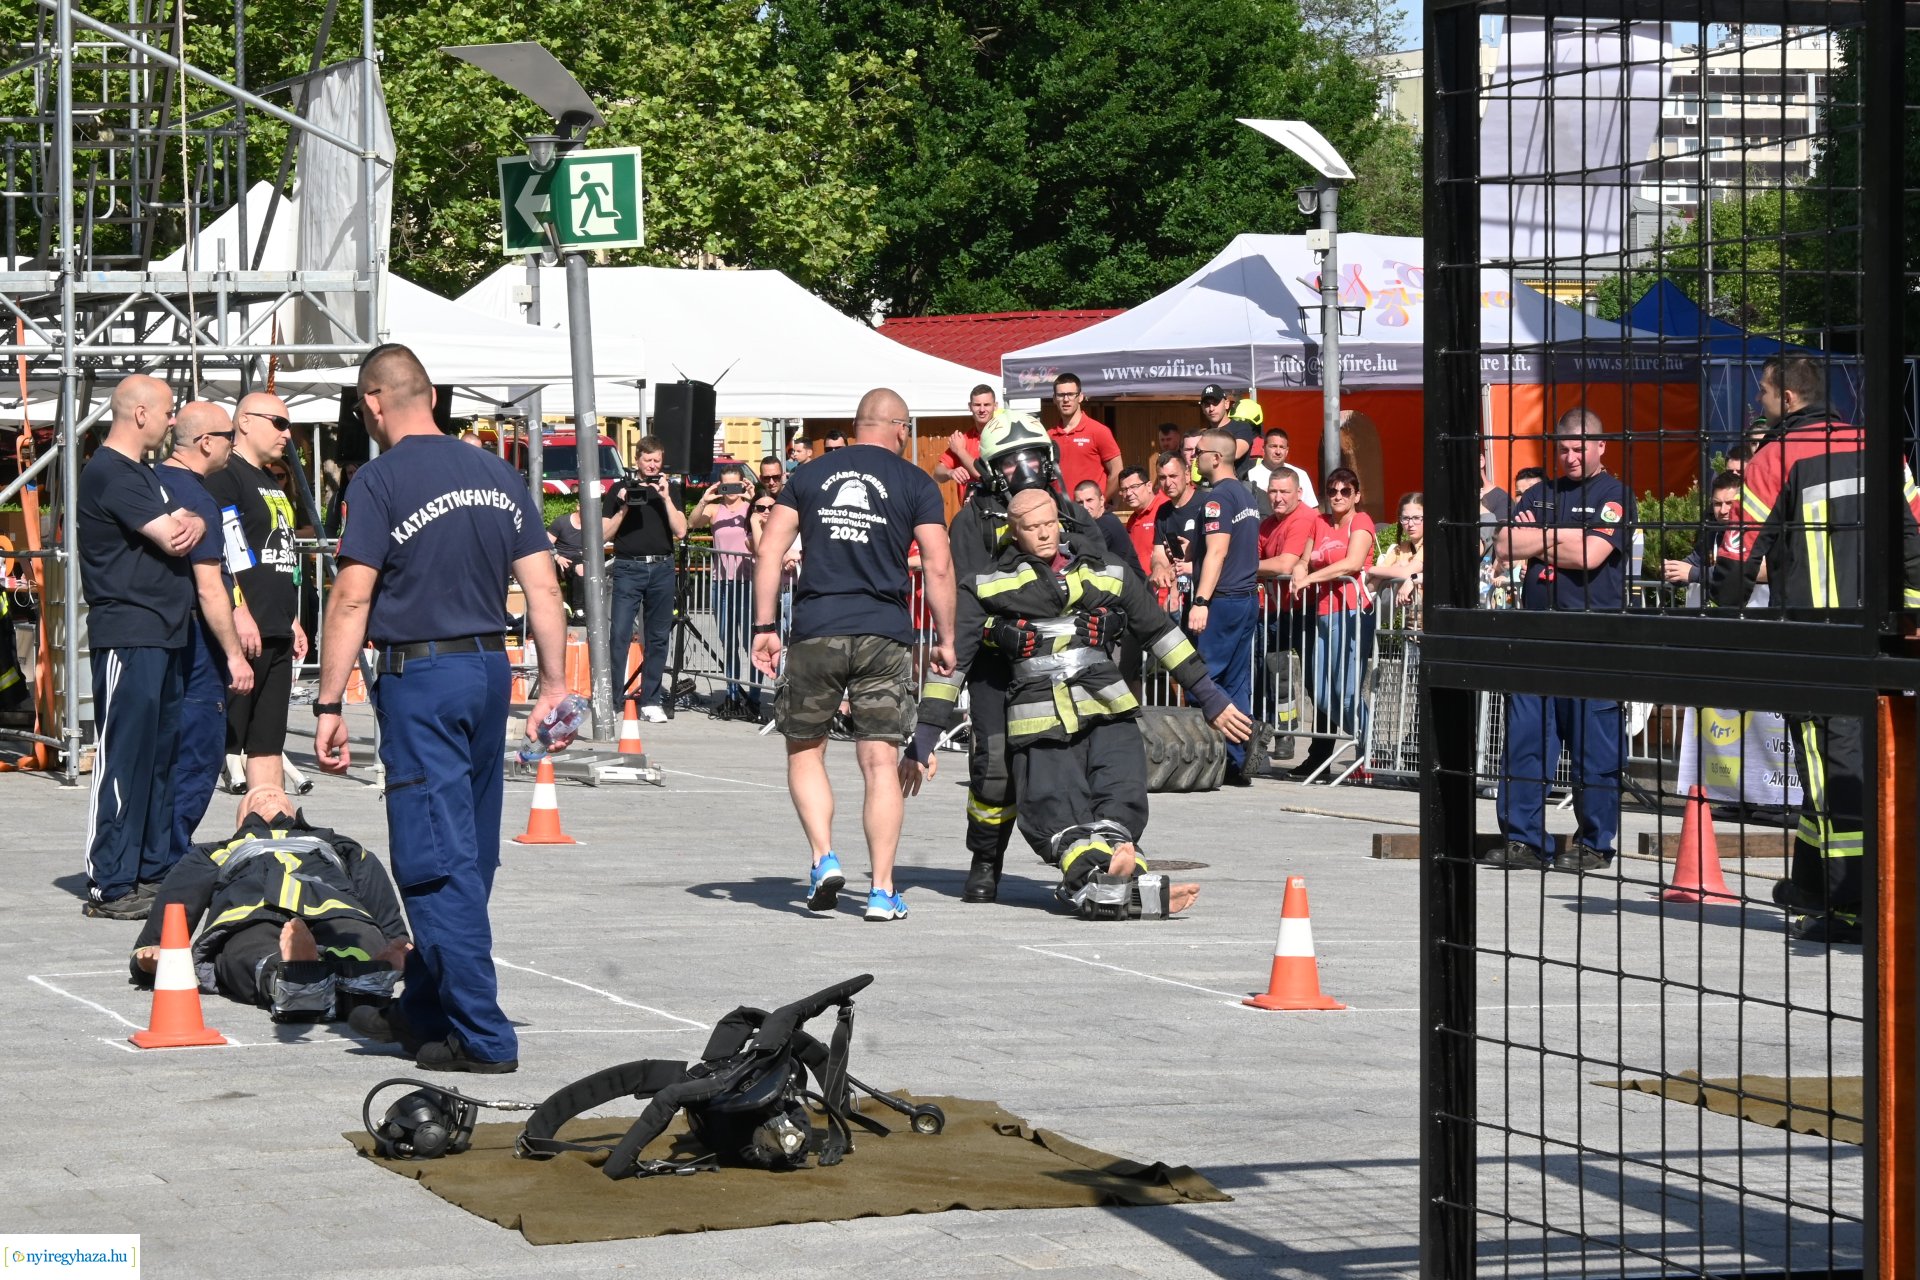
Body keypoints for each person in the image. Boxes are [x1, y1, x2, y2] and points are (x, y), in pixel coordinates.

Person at [314, 343, 568, 1074]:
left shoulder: (379, 479)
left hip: (421, 677)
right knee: (471, 850)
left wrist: (330, 701)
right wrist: (552, 684)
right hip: (491, 670)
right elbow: (544, 590)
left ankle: (484, 1038)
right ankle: (425, 1009)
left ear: (372, 403)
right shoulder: (496, 473)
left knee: (433, 858)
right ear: (429, 394)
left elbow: (353, 595)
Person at [903, 488, 1251, 913]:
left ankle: (1120, 878)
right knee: (1056, 805)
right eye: (1032, 528)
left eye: (1050, 523)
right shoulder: (987, 585)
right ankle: (1110, 883)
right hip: (1040, 718)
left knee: (1121, 794)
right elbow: (952, 664)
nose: (1044, 534)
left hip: (1108, 706)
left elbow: (1161, 632)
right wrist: (924, 739)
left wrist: (1210, 698)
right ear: (1013, 532)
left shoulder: (1107, 570)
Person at [1717, 356, 1920, 943]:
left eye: (1763, 390)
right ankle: (1809, 882)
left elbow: (1738, 555)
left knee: (1832, 770)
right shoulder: (1877, 445)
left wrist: (1717, 621)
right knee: (1843, 762)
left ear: (1788, 397)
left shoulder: (1773, 458)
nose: (1757, 400)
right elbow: (1913, 535)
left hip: (1812, 637)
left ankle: (1850, 906)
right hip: (1874, 637)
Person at [751, 387, 956, 922]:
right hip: (884, 633)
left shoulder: (810, 475)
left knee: (804, 749)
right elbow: (936, 564)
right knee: (880, 761)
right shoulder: (915, 481)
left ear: (858, 423)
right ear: (900, 429)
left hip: (817, 628)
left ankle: (823, 858)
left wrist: (765, 625)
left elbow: (770, 549)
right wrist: (947, 638)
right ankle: (882, 892)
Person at [937, 410, 1107, 903]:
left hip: (1063, 664)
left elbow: (1110, 577)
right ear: (991, 469)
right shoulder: (973, 522)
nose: (1025, 470)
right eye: (1011, 463)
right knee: (994, 764)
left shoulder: (1069, 513)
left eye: (1033, 457)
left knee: (1072, 762)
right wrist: (999, 632)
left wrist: (1108, 621)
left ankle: (1082, 855)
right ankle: (986, 858)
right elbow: (968, 597)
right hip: (996, 663)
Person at [77, 375, 206, 919]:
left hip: (164, 632)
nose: (172, 420)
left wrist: (194, 518)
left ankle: (150, 871)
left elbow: (195, 518)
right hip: (130, 634)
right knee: (124, 758)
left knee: (158, 759)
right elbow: (174, 534)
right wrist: (189, 522)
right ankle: (111, 880)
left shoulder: (147, 474)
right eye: (168, 411)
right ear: (139, 415)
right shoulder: (109, 471)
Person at [1487, 408, 1635, 874]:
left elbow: (1592, 555)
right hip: (1536, 634)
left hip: (1591, 638)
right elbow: (1506, 545)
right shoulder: (1542, 491)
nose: (1570, 458)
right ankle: (1524, 840)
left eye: (1579, 449)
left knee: (1594, 743)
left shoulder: (1616, 495)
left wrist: (1543, 537)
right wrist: (1562, 538)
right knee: (1527, 738)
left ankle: (1595, 843)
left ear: (1601, 447)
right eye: (1564, 450)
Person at [129, 788, 410, 1024]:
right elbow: (180, 893)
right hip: (252, 913)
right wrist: (152, 953)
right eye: (256, 799)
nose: (267, 795)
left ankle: (331, 975)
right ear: (241, 821)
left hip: (336, 907)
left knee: (358, 935)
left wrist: (397, 939)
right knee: (243, 951)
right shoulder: (217, 849)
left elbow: (371, 877)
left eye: (276, 794)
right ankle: (307, 975)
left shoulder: (333, 841)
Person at [156, 403, 255, 870]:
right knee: (197, 751)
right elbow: (210, 587)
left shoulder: (148, 483)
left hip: (157, 640)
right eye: (229, 436)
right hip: (196, 643)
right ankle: (170, 860)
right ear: (206, 442)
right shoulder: (200, 501)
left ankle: (152, 855)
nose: (233, 445)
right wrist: (234, 656)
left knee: (159, 755)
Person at [205, 391, 307, 796]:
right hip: (246, 630)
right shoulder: (226, 475)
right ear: (244, 421)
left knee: (268, 741)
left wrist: (293, 618)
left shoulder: (270, 478)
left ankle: (269, 823)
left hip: (277, 626)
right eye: (278, 423)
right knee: (228, 742)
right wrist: (238, 610)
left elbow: (277, 549)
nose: (287, 434)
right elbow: (226, 554)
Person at [1186, 429, 1265, 784]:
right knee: (1234, 683)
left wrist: (1201, 600)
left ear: (1215, 458)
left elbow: (1217, 551)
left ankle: (1211, 758)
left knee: (1199, 680)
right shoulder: (1245, 495)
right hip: (1247, 598)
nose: (1194, 457)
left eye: (1198, 452)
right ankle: (1238, 760)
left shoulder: (1216, 499)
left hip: (1224, 599)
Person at [1291, 467, 1379, 780]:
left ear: (1356, 495)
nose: (1338, 497)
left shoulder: (1361, 521)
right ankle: (1371, 746)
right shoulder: (1319, 522)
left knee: (1348, 691)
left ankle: (1371, 753)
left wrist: (1310, 577)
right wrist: (1301, 569)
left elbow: (1353, 562)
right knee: (1324, 695)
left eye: (1345, 491)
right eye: (1332, 491)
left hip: (1354, 610)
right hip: (1325, 611)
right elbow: (1305, 557)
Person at [604, 436, 686, 721]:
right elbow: (604, 534)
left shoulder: (670, 489)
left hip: (662, 567)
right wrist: (624, 506)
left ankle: (651, 700)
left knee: (658, 636)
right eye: (647, 460)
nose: (652, 466)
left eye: (657, 461)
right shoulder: (618, 489)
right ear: (637, 460)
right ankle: (614, 700)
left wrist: (664, 497)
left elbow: (682, 531)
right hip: (629, 568)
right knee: (620, 634)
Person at [691, 463, 759, 720]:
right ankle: (732, 694)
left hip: (748, 582)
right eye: (725, 485)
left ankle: (754, 695)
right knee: (727, 642)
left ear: (744, 484)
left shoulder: (752, 506)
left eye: (736, 485)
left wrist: (753, 499)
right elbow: (692, 523)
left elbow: (769, 521)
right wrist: (703, 499)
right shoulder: (714, 509)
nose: (731, 491)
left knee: (751, 642)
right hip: (721, 583)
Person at [1256, 470, 1318, 726]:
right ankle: (1284, 731)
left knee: (1315, 678)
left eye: (1284, 492)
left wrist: (1246, 566)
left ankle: (1321, 746)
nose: (1277, 497)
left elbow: (1284, 564)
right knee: (1275, 673)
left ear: (1299, 493)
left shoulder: (1305, 518)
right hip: (1275, 609)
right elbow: (1257, 559)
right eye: (1273, 491)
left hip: (1308, 608)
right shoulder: (1268, 524)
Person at [1663, 472, 1743, 596]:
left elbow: (1737, 571)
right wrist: (1672, 570)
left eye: (1729, 503)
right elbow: (1696, 560)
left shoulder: (1753, 533)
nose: (1723, 510)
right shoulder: (1713, 533)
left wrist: (1694, 574)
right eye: (1717, 504)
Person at [1047, 373, 1123, 501]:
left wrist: (1102, 503)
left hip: (1091, 515)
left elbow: (1117, 471)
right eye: (1061, 395)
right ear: (1054, 399)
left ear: (1080, 397)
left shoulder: (1098, 431)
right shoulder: (1048, 436)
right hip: (1060, 514)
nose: (1066, 399)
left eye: (1071, 394)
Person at [1148, 451, 1206, 613]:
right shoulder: (1163, 512)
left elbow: (1218, 552)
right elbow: (1159, 554)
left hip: (1210, 597)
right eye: (1162, 477)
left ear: (1187, 475)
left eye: (1173, 476)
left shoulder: (1207, 503)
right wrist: (1159, 568)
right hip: (1183, 596)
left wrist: (1193, 551)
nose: (1168, 483)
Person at [1369, 492, 1426, 612]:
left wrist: (1371, 570)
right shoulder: (1400, 549)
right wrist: (1394, 569)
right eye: (1405, 518)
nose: (1410, 524)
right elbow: (1370, 587)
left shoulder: (1431, 545)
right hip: (1411, 627)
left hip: (1434, 625)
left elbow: (1406, 572)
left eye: (1416, 518)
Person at [1072, 479, 1142, 575]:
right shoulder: (1097, 522)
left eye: (1089, 500)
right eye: (1079, 502)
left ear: (1101, 500)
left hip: (1133, 587)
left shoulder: (1106, 523)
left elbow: (1086, 555)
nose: (1084, 506)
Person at [936, 384, 998, 491]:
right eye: (977, 405)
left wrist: (960, 451)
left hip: (998, 506)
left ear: (995, 406)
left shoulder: (1002, 436)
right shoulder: (963, 439)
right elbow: (937, 474)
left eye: (987, 404)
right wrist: (950, 472)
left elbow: (983, 475)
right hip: (968, 507)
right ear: (970, 407)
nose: (982, 409)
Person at [1246, 428, 1319, 508]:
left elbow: (1313, 509)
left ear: (1287, 451)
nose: (1278, 452)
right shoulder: (1250, 475)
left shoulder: (1300, 475)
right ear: (1263, 448)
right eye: (1273, 446)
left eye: (1282, 447)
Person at [1115, 466, 1164, 583]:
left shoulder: (1165, 509)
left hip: (1164, 589)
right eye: (1124, 489)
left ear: (1148, 486)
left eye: (1134, 487)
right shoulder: (1132, 519)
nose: (1129, 493)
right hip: (1141, 590)